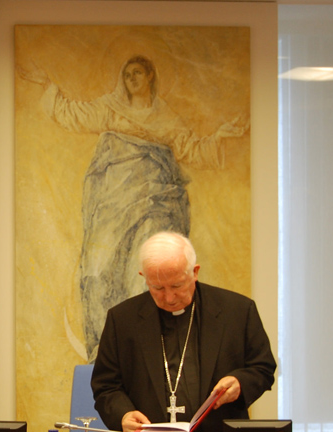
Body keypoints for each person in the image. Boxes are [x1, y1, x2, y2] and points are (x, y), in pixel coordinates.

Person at [19, 55, 249, 362]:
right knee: (100, 274)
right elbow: (72, 113)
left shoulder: (165, 117)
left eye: (137, 72)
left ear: (150, 75)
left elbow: (191, 148)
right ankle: (108, 355)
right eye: (126, 74)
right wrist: (46, 84)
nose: (131, 79)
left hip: (154, 206)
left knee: (140, 279)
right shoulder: (110, 109)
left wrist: (221, 136)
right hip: (112, 207)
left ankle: (147, 358)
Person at [91, 231, 276, 432]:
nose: (169, 298)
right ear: (144, 276)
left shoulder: (237, 311)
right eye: (158, 288)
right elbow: (106, 385)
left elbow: (263, 368)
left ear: (195, 272)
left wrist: (240, 382)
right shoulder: (122, 320)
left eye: (177, 285)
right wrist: (123, 415)